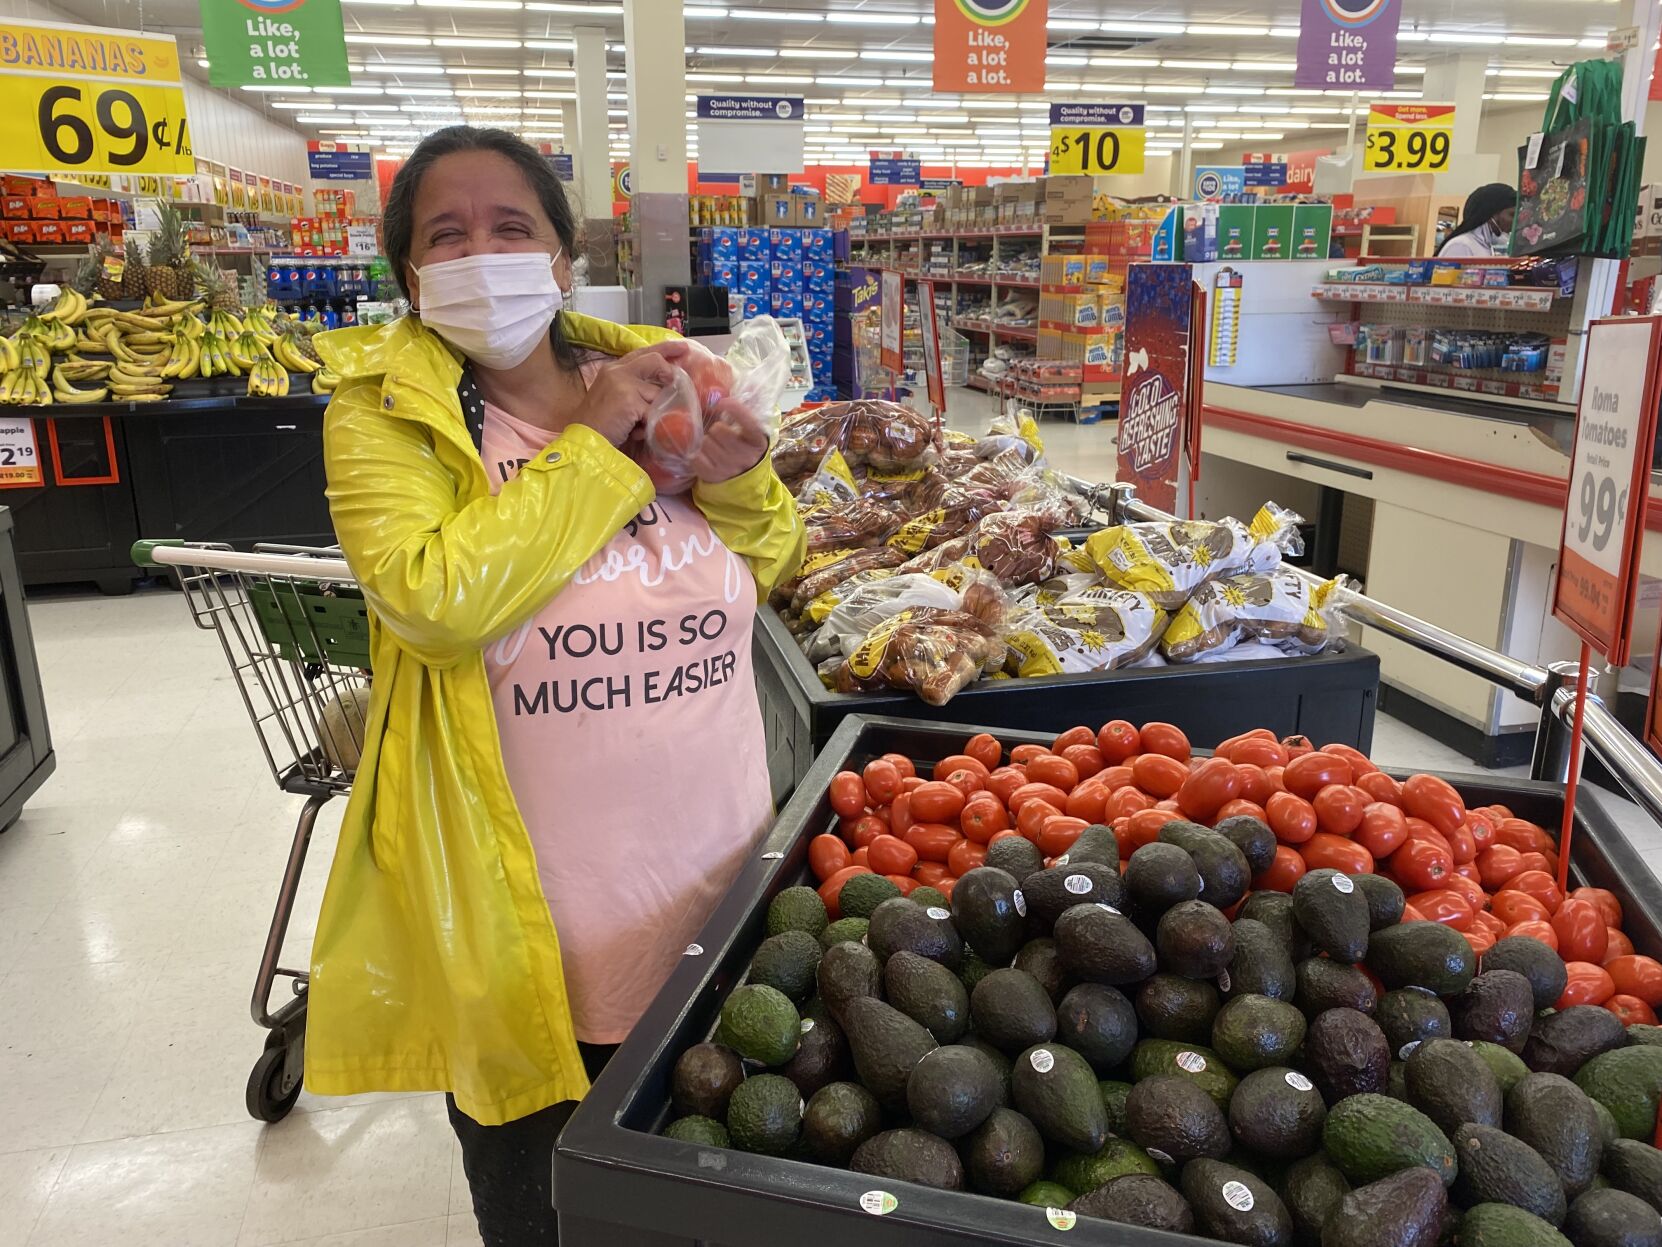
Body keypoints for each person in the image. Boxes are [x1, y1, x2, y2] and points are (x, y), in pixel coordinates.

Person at [309, 125, 805, 1245]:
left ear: (564, 258)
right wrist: (592, 440)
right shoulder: (383, 423)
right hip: (540, 947)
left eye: (511, 227)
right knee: (562, 1220)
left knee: (733, 1194)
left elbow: (767, 571)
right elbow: (437, 597)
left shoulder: (662, 377)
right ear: (411, 276)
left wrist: (740, 481)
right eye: (448, 233)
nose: (483, 251)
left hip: (726, 892)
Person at [1438, 183, 1517, 258]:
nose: (1515, 221)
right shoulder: (1461, 246)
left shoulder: (1484, 246)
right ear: (1492, 215)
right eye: (1512, 215)